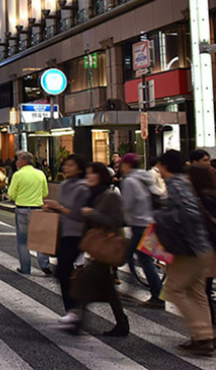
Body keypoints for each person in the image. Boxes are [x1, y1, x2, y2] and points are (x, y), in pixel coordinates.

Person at [157, 150, 214, 356]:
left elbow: (188, 213)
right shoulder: (185, 182)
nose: (158, 170)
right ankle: (206, 336)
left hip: (189, 249)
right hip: (203, 247)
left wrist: (164, 218)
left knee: (173, 290)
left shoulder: (176, 184)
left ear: (165, 166)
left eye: (159, 166)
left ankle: (202, 335)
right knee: (197, 292)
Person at [67, 162, 128, 337]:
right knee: (108, 288)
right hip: (96, 247)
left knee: (85, 282)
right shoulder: (92, 194)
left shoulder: (110, 195)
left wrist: (91, 213)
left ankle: (78, 321)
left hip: (106, 247)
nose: (88, 177)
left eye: (91, 174)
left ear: (100, 175)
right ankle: (122, 324)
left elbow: (118, 220)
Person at [42, 155, 89, 326]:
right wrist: (52, 207)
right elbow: (64, 210)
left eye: (71, 165)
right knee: (63, 271)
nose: (66, 168)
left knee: (63, 271)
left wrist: (58, 207)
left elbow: (79, 214)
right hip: (64, 233)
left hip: (78, 234)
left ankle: (75, 308)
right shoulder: (65, 185)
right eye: (66, 164)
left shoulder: (82, 188)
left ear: (79, 168)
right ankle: (73, 309)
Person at [117, 153, 164, 308]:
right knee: (139, 257)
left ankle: (157, 294)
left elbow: (127, 204)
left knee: (142, 258)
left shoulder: (129, 181)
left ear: (127, 165)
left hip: (139, 225)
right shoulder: (145, 177)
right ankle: (134, 288)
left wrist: (120, 217)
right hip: (150, 222)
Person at [8, 151, 51, 276]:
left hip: (22, 209)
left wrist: (18, 197)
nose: (16, 162)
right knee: (40, 239)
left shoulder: (18, 175)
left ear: (23, 160)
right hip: (37, 209)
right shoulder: (40, 174)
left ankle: (25, 268)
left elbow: (11, 194)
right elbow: (45, 193)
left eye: (18, 160)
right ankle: (44, 264)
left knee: (23, 240)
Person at [187, 165, 216, 332]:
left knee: (200, 292)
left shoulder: (203, 200)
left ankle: (206, 332)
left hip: (207, 250)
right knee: (202, 290)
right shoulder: (209, 196)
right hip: (209, 249)